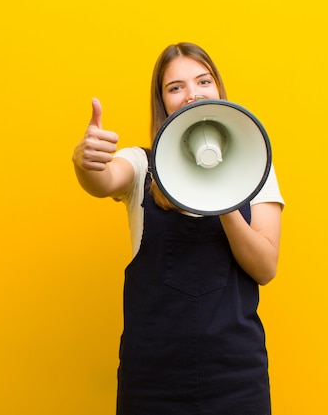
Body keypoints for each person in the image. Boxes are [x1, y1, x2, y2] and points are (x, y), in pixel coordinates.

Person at [72, 42, 284, 415]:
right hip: (152, 381)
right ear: (163, 102)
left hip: (236, 378)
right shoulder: (141, 166)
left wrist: (223, 194)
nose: (192, 95)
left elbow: (265, 268)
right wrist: (85, 162)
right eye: (176, 87)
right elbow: (103, 181)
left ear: (218, 88)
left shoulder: (256, 167)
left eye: (203, 81)